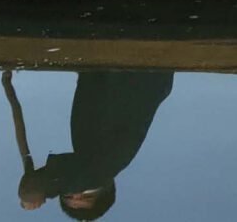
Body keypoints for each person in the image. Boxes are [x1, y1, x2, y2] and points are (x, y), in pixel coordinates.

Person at [11, 67, 175, 219]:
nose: (76, 192)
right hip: (136, 67)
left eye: (68, 195)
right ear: (106, 187)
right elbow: (84, 178)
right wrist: (37, 191)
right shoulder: (105, 169)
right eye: (86, 195)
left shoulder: (90, 151)